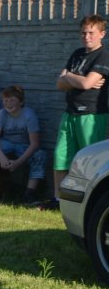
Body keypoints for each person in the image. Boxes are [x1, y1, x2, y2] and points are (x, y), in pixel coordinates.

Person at [43, 14, 109, 210]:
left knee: (90, 162)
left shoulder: (103, 55)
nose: (86, 37)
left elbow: (87, 83)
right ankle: (58, 200)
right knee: (60, 157)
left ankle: (89, 204)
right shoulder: (77, 54)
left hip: (92, 115)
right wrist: (76, 79)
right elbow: (59, 83)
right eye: (83, 33)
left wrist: (69, 77)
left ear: (102, 34)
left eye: (91, 33)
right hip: (69, 114)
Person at [0, 86, 46, 203]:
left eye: (12, 100)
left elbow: (35, 144)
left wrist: (17, 163)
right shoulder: (2, 113)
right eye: (5, 100)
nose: (8, 104)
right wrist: (2, 157)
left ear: (21, 102)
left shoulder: (29, 115)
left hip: (24, 145)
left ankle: (29, 193)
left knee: (39, 155)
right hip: (7, 142)